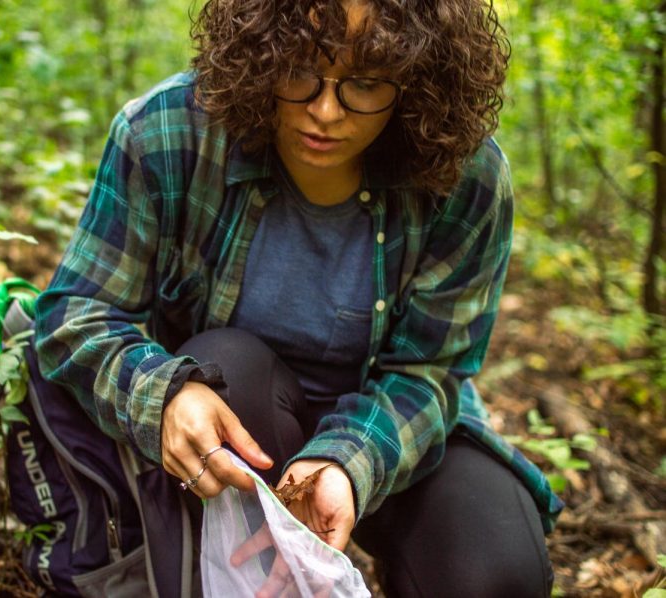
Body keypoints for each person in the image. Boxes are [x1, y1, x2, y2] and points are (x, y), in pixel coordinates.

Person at [35, 0, 564, 595]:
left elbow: (429, 370)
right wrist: (163, 394)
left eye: (364, 84)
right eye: (298, 70)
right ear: (259, 54)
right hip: (239, 433)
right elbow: (73, 316)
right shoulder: (167, 132)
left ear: (416, 80)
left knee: (497, 574)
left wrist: (348, 460)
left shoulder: (466, 177)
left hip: (387, 424)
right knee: (225, 365)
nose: (325, 110)